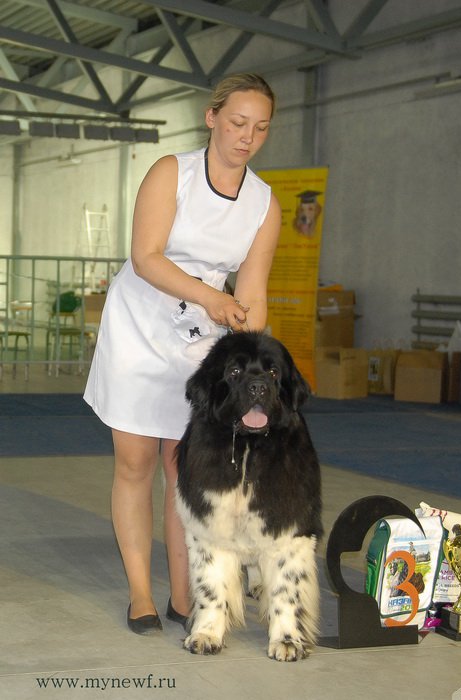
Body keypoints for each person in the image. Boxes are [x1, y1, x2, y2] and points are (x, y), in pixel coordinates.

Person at [84, 73, 281, 634]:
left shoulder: (265, 205)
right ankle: (140, 594)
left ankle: (184, 596)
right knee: (136, 462)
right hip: (138, 325)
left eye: (261, 128)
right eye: (238, 123)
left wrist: (247, 334)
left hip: (202, 343)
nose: (247, 137)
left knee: (185, 467)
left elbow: (255, 291)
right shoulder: (172, 172)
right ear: (211, 116)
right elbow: (145, 256)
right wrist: (212, 298)